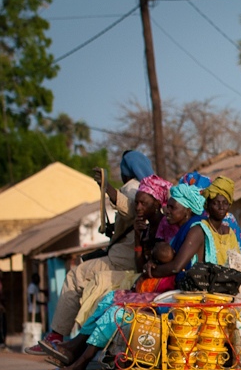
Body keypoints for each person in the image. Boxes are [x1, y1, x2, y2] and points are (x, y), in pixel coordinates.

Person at [47, 178, 241, 370]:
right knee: (111, 298)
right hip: (185, 294)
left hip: (189, 299)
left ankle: (80, 365)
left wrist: (152, 272)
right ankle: (75, 348)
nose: (166, 211)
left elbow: (177, 266)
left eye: (172, 207)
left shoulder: (196, 229)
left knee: (118, 312)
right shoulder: (195, 228)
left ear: (187, 210)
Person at [26, 150, 155, 354]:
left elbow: (131, 208)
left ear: (126, 170)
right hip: (131, 258)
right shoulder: (153, 188)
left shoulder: (133, 188)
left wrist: (108, 189)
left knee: (76, 276)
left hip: (122, 261)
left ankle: (57, 335)